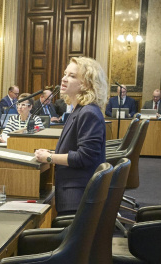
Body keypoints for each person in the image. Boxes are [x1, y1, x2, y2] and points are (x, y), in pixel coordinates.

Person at [35, 57, 107, 215]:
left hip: (79, 197)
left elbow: (85, 157)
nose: (64, 79)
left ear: (87, 83)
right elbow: (75, 148)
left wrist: (49, 158)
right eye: (65, 74)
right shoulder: (78, 110)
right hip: (71, 191)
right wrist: (51, 154)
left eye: (72, 76)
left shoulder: (89, 113)